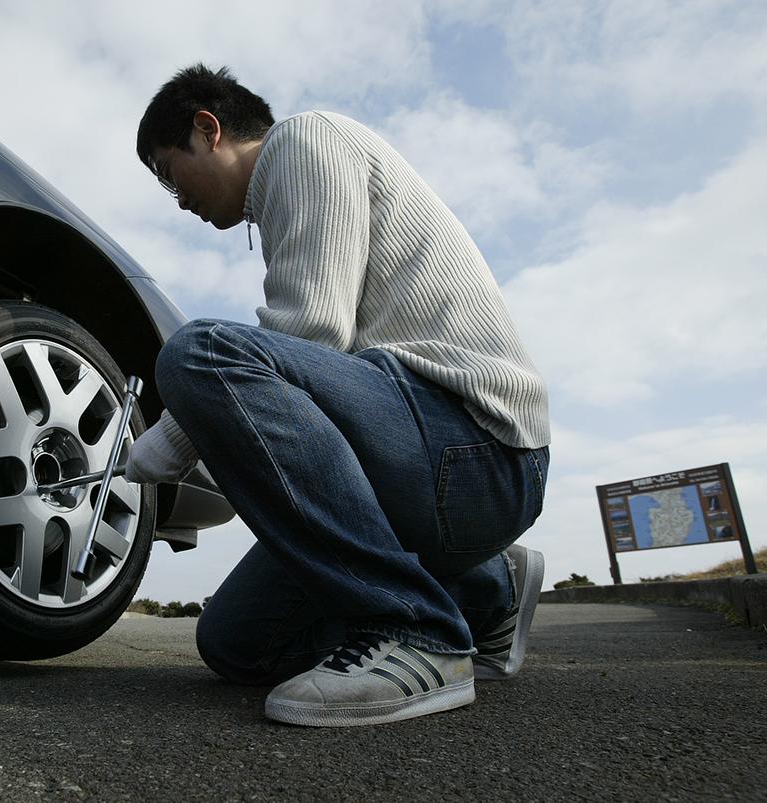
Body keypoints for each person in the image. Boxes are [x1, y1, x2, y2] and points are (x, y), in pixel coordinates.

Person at [124, 64, 551, 727]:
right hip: (426, 462)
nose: (176, 198)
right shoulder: (283, 203)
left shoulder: (307, 140)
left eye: (166, 170)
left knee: (198, 352)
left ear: (207, 129)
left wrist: (172, 440)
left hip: (478, 445)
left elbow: (314, 329)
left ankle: (416, 631)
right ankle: (485, 586)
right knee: (234, 642)